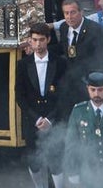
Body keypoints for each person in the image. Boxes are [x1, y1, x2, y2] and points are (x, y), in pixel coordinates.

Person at [14, 22, 68, 188]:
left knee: (56, 161)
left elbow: (64, 95)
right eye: (34, 40)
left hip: (54, 119)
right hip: (33, 121)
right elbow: (20, 96)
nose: (38, 44)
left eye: (42, 40)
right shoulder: (23, 65)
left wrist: (50, 120)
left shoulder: (60, 63)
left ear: (48, 40)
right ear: (30, 40)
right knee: (35, 163)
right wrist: (36, 118)